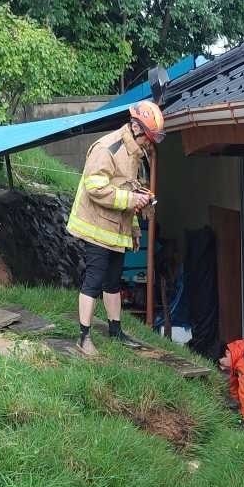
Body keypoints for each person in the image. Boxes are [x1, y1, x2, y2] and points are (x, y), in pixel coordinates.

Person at [66, 100, 165, 357]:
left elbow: (126, 187)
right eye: (148, 137)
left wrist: (137, 207)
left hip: (115, 229)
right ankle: (83, 337)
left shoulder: (134, 151)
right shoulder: (108, 147)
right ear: (136, 127)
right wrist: (133, 200)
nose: (149, 143)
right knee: (94, 280)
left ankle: (115, 331)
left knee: (113, 280)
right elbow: (95, 188)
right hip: (96, 226)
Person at [219, 336, 244, 418]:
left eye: (222, 363)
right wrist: (235, 402)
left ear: (227, 352)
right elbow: (233, 383)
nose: (222, 368)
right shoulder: (235, 350)